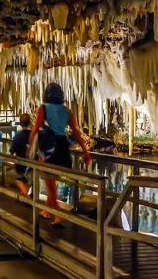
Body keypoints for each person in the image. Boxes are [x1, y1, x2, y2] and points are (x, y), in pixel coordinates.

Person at [30, 83, 91, 228]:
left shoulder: (43, 109)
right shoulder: (67, 111)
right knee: (52, 182)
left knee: (49, 183)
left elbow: (36, 128)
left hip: (49, 149)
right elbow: (76, 132)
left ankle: (57, 216)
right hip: (63, 147)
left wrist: (29, 147)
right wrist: (85, 151)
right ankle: (46, 210)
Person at [10, 113, 32, 197]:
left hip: (20, 163)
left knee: (20, 179)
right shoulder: (34, 136)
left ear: (20, 123)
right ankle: (24, 197)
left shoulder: (17, 136)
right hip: (32, 163)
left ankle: (26, 198)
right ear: (30, 122)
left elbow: (12, 150)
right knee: (27, 180)